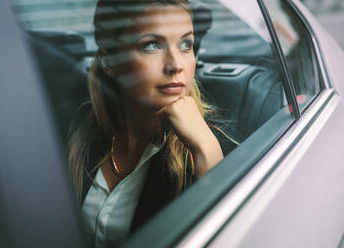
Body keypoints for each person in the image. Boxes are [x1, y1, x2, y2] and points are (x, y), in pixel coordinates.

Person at [68, 0, 237, 247]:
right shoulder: (81, 131)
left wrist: (206, 151)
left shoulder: (223, 146)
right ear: (109, 62)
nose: (176, 65)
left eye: (185, 44)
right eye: (152, 45)